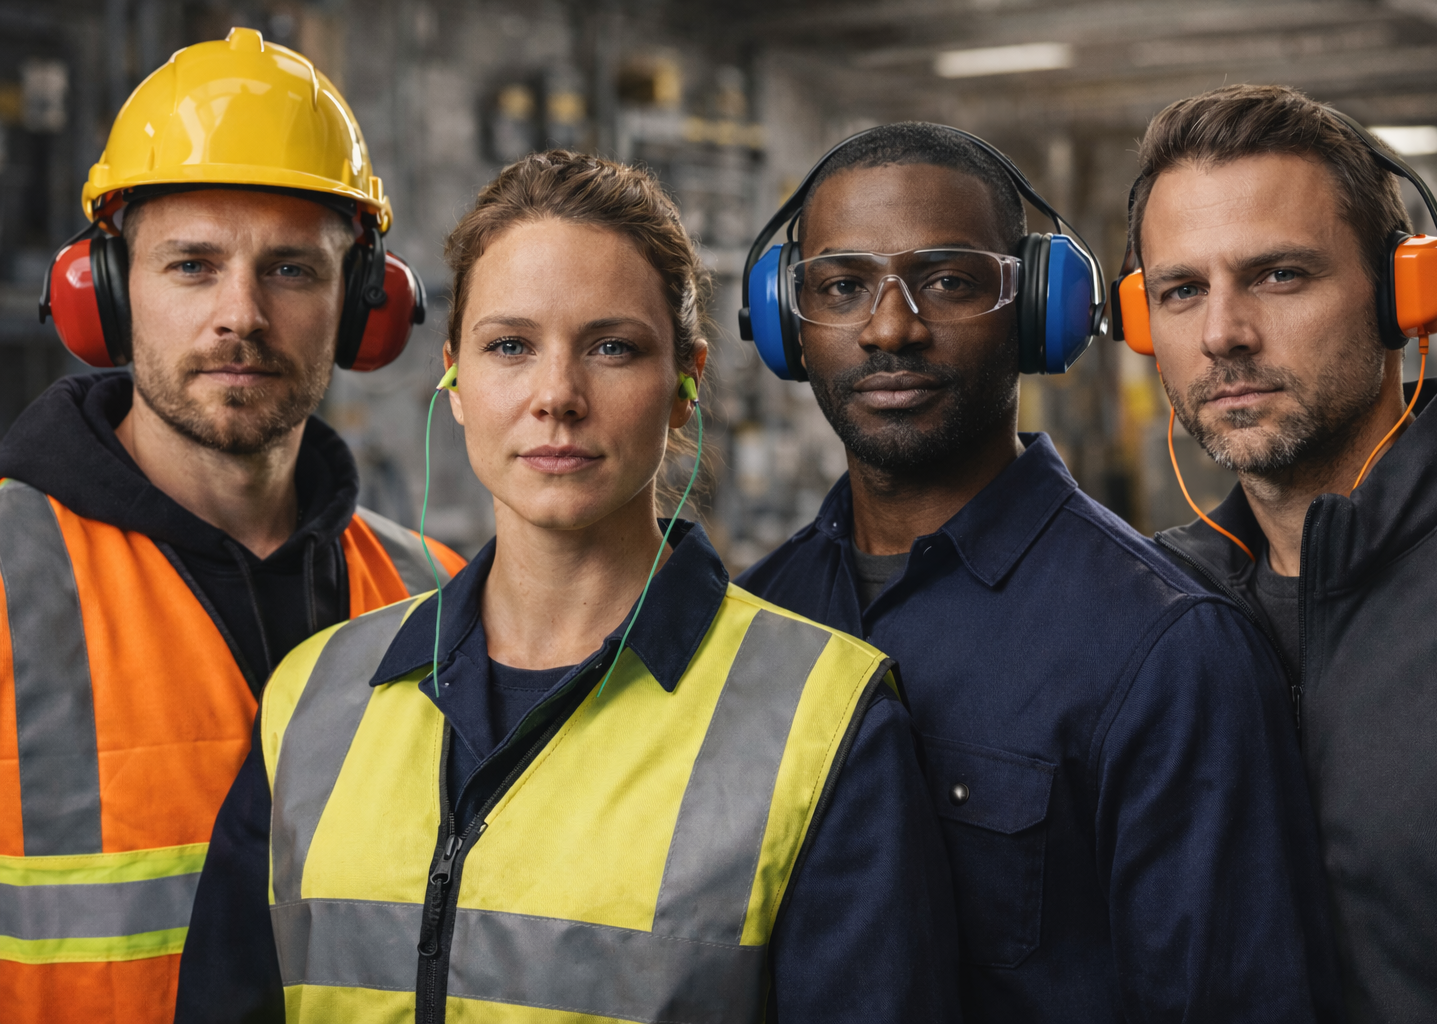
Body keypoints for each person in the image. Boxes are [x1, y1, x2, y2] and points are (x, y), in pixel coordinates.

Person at [176, 150, 958, 1023]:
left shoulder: (824, 723)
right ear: (455, 379)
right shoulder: (312, 700)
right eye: (510, 346)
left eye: (612, 348)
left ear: (684, 385)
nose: (557, 395)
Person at [736, 122, 1341, 1021]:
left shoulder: (1168, 654)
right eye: (842, 287)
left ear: (1040, 310)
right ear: (787, 324)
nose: (890, 327)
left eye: (948, 281)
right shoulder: (751, 623)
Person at [0, 30, 465, 1022]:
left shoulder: (440, 595)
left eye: (290, 269)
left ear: (365, 305)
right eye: (192, 265)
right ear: (106, 292)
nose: (240, 314)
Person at [1126, 84, 1437, 1023]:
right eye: (1183, 291)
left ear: (1402, 296)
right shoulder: (1141, 607)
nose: (1222, 334)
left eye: (1278, 275)